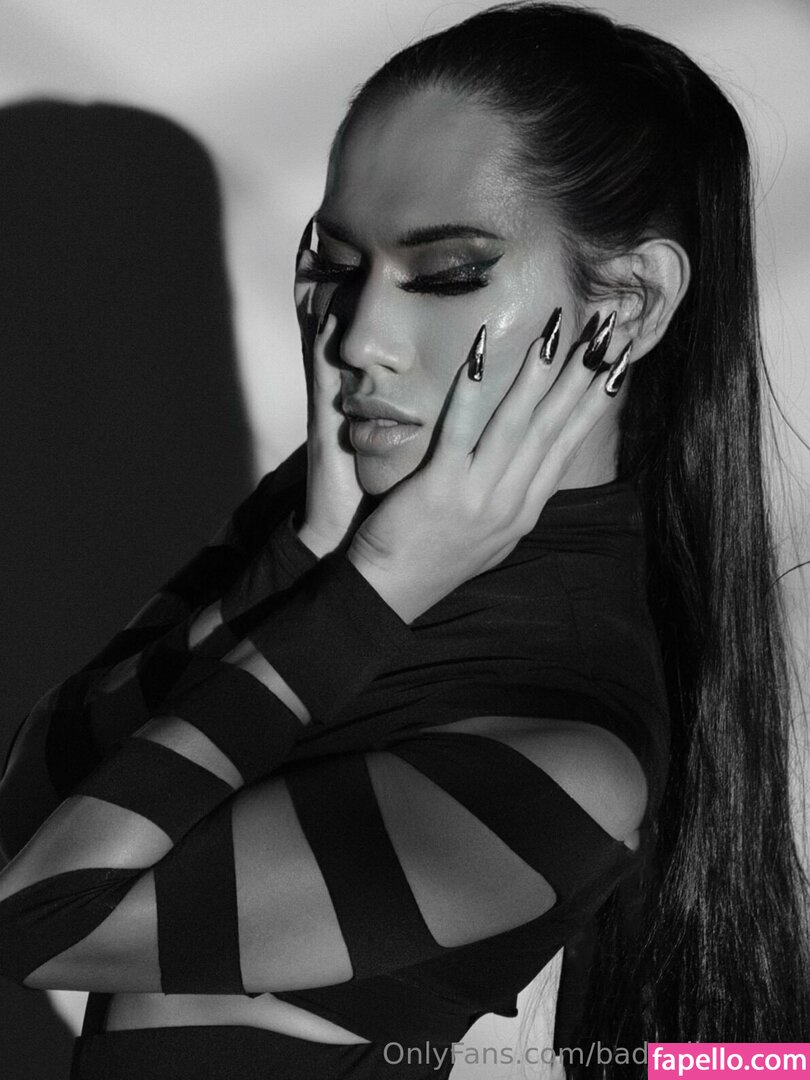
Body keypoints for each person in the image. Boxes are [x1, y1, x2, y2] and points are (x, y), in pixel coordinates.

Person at [1, 3, 807, 1078]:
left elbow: (34, 917)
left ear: (630, 304)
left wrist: (365, 591)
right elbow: (21, 815)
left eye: (446, 274)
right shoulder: (324, 544)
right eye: (338, 265)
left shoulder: (566, 749)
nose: (359, 339)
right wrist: (305, 557)